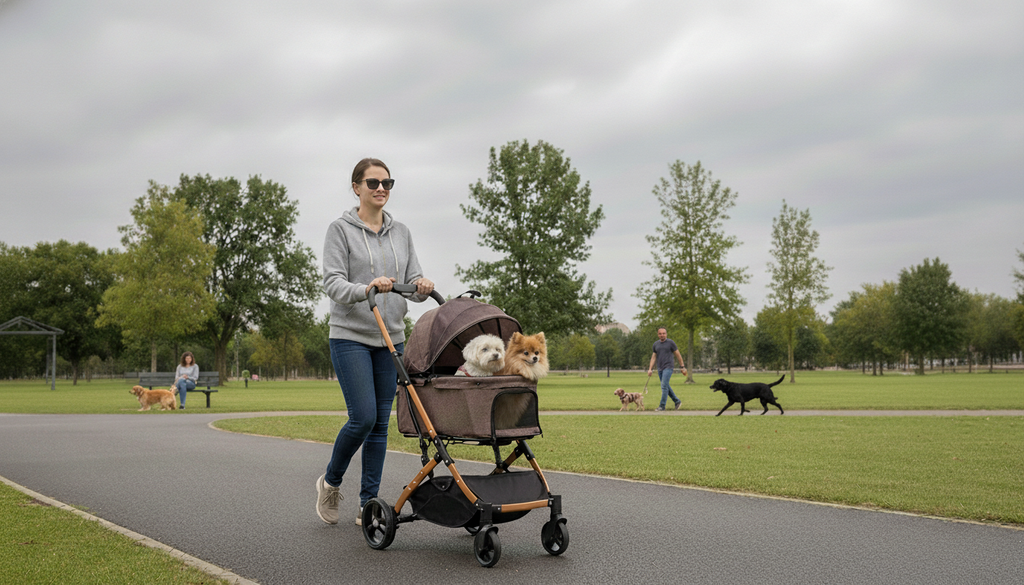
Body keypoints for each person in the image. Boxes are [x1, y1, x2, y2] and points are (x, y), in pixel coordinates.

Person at [316, 157, 434, 527]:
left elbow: (411, 280)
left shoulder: (402, 232)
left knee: (381, 423)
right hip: (350, 335)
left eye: (387, 183)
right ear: (356, 188)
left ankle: (368, 503)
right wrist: (366, 287)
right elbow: (332, 282)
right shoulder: (340, 230)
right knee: (363, 417)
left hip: (390, 337)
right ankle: (331, 481)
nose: (381, 189)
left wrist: (421, 286)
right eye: (373, 183)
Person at [646, 327, 687, 411]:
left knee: (664, 386)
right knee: (666, 385)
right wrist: (650, 369)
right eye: (660, 334)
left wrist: (682, 366)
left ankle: (662, 406)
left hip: (668, 367)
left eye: (664, 333)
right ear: (658, 334)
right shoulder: (656, 344)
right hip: (660, 368)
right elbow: (653, 357)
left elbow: (678, 355)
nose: (662, 335)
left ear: (666, 334)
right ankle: (677, 401)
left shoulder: (671, 343)